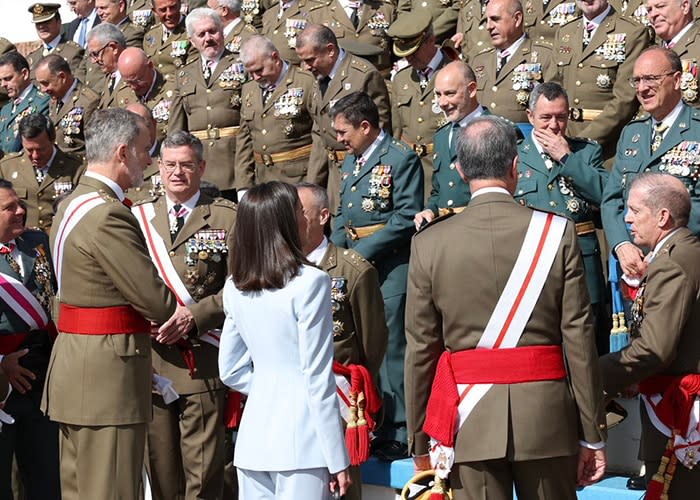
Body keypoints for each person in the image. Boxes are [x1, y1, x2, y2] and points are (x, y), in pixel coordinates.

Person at [405, 115, 607, 500]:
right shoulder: (557, 232)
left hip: (469, 420)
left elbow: (421, 350)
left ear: (460, 170)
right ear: (516, 166)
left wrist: (419, 440)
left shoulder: (428, 244)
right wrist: (593, 434)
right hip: (546, 421)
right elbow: (578, 341)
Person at [41, 108, 178, 500]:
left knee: (80, 489)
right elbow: (157, 301)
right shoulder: (108, 215)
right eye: (143, 149)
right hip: (109, 378)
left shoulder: (70, 205)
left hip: (77, 369)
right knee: (112, 490)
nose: (149, 160)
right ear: (123, 152)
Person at [218, 181, 351, 498]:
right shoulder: (312, 282)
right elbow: (316, 377)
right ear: (286, 222)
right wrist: (337, 457)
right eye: (298, 211)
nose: (305, 218)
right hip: (302, 440)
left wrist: (269, 387)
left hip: (253, 440)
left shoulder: (235, 286)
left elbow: (230, 370)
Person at [132, 131, 236, 500]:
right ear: (158, 167)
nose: (177, 173)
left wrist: (195, 316)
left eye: (186, 165)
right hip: (152, 358)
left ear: (202, 167)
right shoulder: (137, 215)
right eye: (170, 164)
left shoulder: (225, 216)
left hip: (202, 357)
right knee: (159, 467)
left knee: (203, 470)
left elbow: (241, 286)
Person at [330, 91, 423, 461]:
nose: (339, 138)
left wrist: (355, 256)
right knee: (362, 343)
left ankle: (399, 428)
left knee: (391, 346)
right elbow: (342, 217)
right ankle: (372, 420)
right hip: (354, 267)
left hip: (389, 266)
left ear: (365, 127)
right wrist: (332, 257)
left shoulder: (400, 159)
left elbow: (405, 218)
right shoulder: (351, 162)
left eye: (343, 131)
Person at [600, 172, 700, 498]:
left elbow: (656, 347)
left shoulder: (673, 262)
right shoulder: (675, 253)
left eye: (635, 210)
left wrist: (590, 374)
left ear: (662, 217)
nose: (626, 218)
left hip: (678, 409)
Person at [297, 181, 387, 500]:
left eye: (300, 213)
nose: (291, 220)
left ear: (323, 216)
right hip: (293, 396)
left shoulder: (352, 270)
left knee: (343, 487)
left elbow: (372, 343)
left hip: (338, 398)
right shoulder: (279, 269)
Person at [515, 82, 610, 353]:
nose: (554, 126)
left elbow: (604, 193)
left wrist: (567, 159)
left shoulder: (585, 152)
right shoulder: (515, 156)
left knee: (589, 344)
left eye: (561, 117)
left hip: (582, 262)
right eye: (546, 118)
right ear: (530, 116)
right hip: (534, 262)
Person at [602, 47, 700, 283]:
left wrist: (662, 245)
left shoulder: (697, 130)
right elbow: (612, 200)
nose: (642, 88)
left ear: (677, 80)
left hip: (681, 267)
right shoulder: (632, 133)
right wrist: (622, 244)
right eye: (637, 80)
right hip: (633, 267)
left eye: (651, 79)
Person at [0, 180, 60, 500]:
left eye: (20, 203)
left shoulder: (37, 242)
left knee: (46, 478)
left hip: (43, 379)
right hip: (3, 386)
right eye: (10, 208)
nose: (21, 210)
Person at [295, 23, 391, 216]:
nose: (306, 67)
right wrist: (312, 185)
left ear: (330, 50)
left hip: (361, 172)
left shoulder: (363, 75)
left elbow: (379, 134)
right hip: (332, 176)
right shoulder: (318, 77)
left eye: (310, 59)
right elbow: (319, 133)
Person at [546, 0, 650, 160]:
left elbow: (625, 100)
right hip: (562, 138)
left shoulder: (632, 32)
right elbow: (551, 89)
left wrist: (581, 143)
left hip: (605, 147)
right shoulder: (566, 31)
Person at [168, 8, 248, 200]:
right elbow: (177, 127)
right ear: (192, 40)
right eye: (201, 34)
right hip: (200, 165)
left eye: (212, 31)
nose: (208, 38)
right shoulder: (184, 75)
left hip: (235, 162)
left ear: (222, 31)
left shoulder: (241, 64)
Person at [235, 35, 324, 191]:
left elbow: (321, 137)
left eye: (259, 70)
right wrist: (244, 186)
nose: (256, 77)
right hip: (263, 182)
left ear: (275, 58)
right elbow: (245, 139)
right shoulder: (249, 89)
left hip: (298, 179)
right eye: (251, 73)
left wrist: (312, 184)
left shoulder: (306, 82)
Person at [387, 10, 456, 199]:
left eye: (413, 51)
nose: (408, 58)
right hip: (410, 174)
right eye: (404, 53)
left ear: (430, 40)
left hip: (445, 168)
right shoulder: (401, 79)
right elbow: (396, 130)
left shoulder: (455, 72)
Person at [413, 60, 487, 229]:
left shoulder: (497, 131)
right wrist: (430, 211)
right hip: (446, 231)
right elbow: (438, 191)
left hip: (480, 228)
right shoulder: (441, 135)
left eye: (450, 93)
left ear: (472, 89)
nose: (442, 103)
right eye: (438, 94)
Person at [470, 0, 552, 127]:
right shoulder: (479, 59)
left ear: (517, 19)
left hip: (522, 142)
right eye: (487, 20)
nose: (489, 26)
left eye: (495, 19)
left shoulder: (544, 56)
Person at [0, 113, 85, 233]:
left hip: (59, 239)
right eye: (29, 150)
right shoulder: (6, 167)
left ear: (52, 140)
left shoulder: (76, 168)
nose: (35, 156)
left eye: (41, 149)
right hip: (23, 243)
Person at [307, 0, 396, 76]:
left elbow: (396, 53)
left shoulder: (386, 9)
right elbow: (309, 58)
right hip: (336, 85)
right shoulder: (318, 14)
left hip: (378, 82)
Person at [35, 54, 100, 157]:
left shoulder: (88, 102)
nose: (43, 89)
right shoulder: (54, 99)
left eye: (46, 83)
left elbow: (95, 149)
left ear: (62, 77)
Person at [647, 0, 700, 109]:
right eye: (649, 10)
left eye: (660, 6)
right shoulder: (652, 50)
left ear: (685, 6)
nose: (653, 14)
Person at [116, 47, 175, 142]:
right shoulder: (122, 94)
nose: (133, 87)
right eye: (128, 82)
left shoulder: (173, 89)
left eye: (138, 81)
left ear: (150, 66)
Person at [0, 52, 50, 155]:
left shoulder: (42, 102)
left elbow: (38, 143)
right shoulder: (6, 109)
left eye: (8, 78)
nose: (3, 85)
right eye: (1, 80)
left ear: (25, 74)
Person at [25, 3, 85, 80]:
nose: (41, 26)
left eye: (46, 22)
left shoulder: (73, 52)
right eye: (38, 23)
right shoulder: (32, 59)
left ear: (58, 22)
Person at [143, 0, 198, 78]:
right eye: (163, 10)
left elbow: (191, 72)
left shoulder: (192, 31)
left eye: (173, 7)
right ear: (155, 11)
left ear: (179, 5)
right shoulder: (150, 36)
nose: (169, 14)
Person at [86, 23, 134, 109]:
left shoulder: (134, 75)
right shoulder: (110, 78)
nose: (93, 61)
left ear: (114, 48)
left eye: (96, 54)